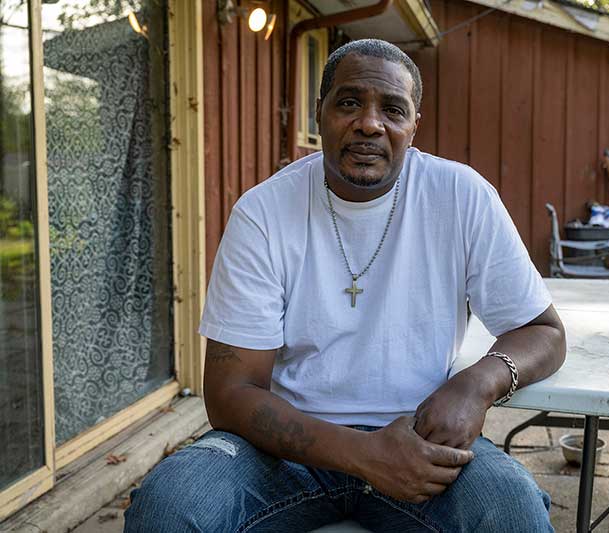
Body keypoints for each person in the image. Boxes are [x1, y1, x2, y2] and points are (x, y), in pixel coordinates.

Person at [125, 38, 566, 532]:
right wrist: (364, 454)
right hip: (283, 453)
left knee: (512, 511)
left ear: (413, 125)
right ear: (320, 113)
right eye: (350, 102)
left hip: (419, 439)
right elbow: (231, 392)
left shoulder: (461, 197)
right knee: (168, 506)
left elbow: (544, 332)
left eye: (392, 109)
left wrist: (476, 384)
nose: (370, 123)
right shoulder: (264, 213)